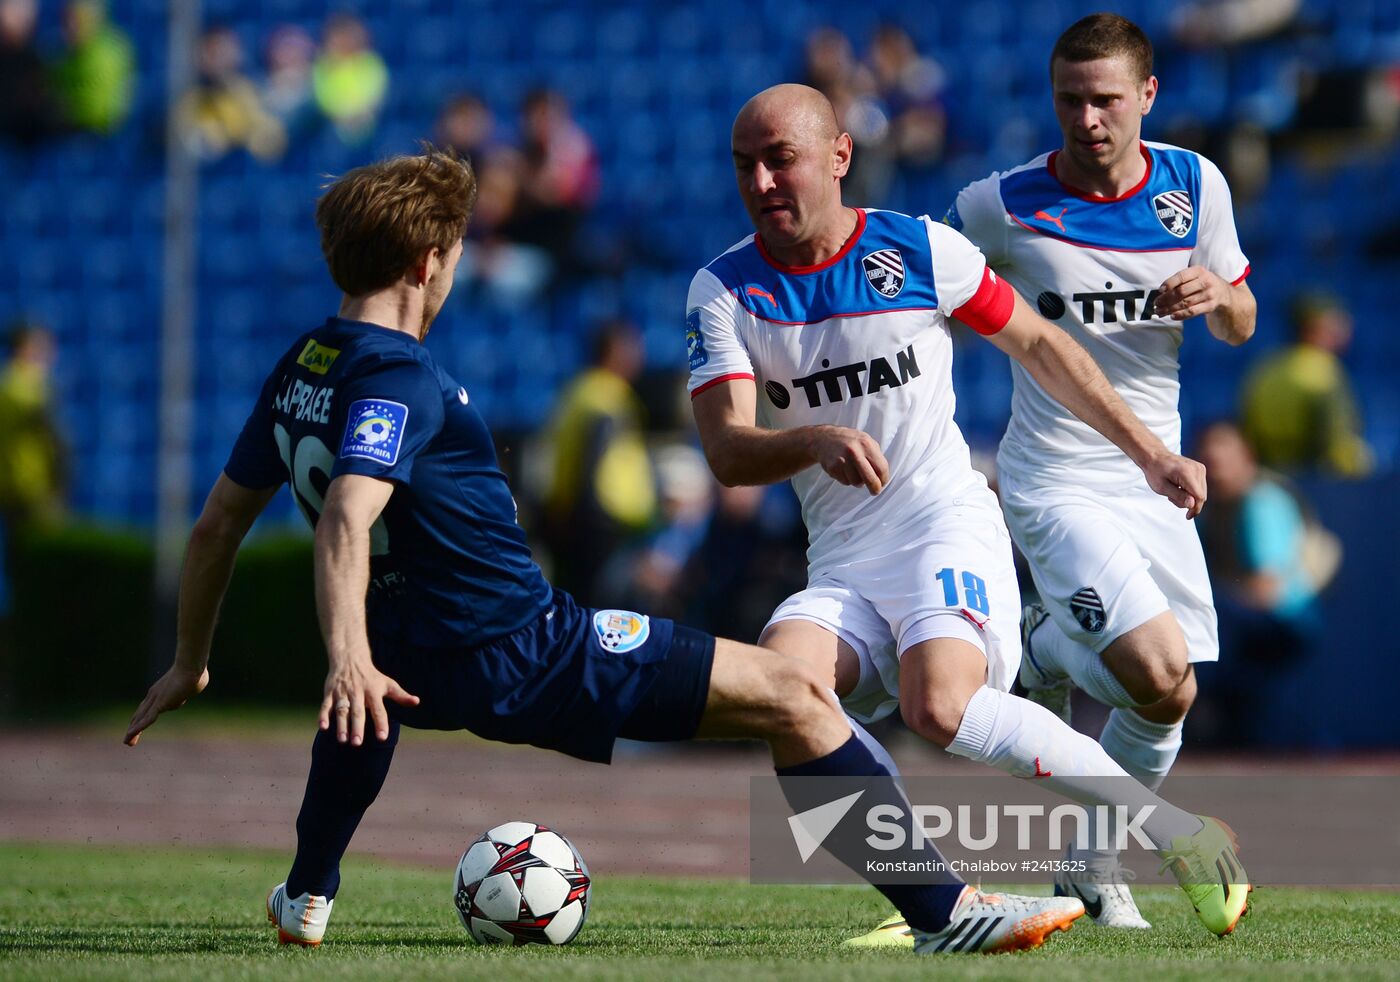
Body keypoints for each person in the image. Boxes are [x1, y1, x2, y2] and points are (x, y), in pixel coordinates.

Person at [123, 147, 1091, 957]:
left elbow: (218, 523)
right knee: (794, 698)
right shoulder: (398, 379)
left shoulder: (305, 364)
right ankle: (944, 914)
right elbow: (345, 515)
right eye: (456, 250)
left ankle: (305, 892)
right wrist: (343, 656)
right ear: (427, 261)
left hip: (413, 649)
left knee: (371, 703)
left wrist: (194, 655)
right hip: (526, 648)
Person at [687, 82, 1251, 949]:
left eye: (781, 160)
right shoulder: (724, 289)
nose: (762, 182)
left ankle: (1171, 830)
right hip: (841, 560)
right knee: (777, 691)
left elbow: (1043, 347)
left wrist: (1149, 454)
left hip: (946, 528)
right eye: (745, 166)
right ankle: (935, 906)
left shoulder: (920, 252)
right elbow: (726, 449)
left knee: (939, 707)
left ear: (839, 158)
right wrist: (811, 441)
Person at [945, 14, 1257, 929]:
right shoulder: (996, 206)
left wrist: (1221, 297)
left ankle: (1086, 862)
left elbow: (1243, 315)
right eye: (1071, 100)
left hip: (1155, 473)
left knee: (1173, 695)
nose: (1087, 119)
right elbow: (922, 287)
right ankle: (1044, 646)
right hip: (1054, 476)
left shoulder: (1195, 185)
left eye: (1106, 100)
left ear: (1147, 97)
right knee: (1148, 665)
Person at [542, 319, 657, 604]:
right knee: (599, 606)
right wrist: (586, 510)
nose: (638, 356)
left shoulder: (578, 391)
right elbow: (592, 457)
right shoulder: (607, 396)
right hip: (600, 522)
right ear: (614, 352)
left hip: (578, 517)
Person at [1240, 291, 1372, 477]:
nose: (1344, 328)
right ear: (1313, 326)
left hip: (1271, 479)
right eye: (1334, 322)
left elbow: (1247, 434)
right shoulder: (1325, 372)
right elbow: (1339, 443)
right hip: (1318, 484)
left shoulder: (1264, 369)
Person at [49, 0, 134, 135]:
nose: (71, 28)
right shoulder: (57, 55)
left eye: (77, 21)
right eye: (66, 20)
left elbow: (96, 109)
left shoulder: (110, 55)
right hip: (63, 132)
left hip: (98, 135)